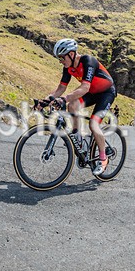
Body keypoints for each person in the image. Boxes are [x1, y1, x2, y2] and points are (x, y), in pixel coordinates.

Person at [35, 38, 116, 176]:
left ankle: (103, 159)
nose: (60, 61)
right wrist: (45, 101)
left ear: (71, 54)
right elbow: (61, 88)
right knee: (72, 105)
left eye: (62, 57)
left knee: (93, 124)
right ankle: (79, 140)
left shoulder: (88, 61)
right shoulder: (68, 68)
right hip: (92, 92)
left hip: (106, 93)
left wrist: (64, 99)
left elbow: (84, 87)